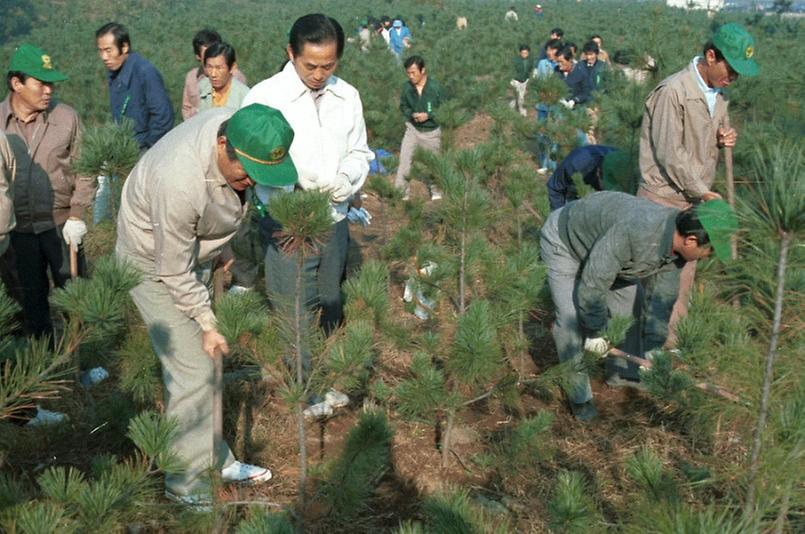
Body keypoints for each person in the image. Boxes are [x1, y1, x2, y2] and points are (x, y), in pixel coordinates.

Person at [116, 104, 296, 505]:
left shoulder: (244, 129)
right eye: (246, 173)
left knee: (206, 363)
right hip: (153, 263)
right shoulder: (179, 178)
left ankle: (213, 456)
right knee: (193, 368)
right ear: (222, 144)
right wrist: (206, 320)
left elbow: (221, 201)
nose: (251, 182)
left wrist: (222, 242)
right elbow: (173, 269)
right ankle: (185, 487)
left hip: (186, 250)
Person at [241, 14, 373, 386]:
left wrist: (347, 178)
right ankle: (303, 385)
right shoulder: (265, 97)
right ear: (291, 53)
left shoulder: (347, 96)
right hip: (287, 220)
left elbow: (360, 151)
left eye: (328, 65)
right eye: (310, 65)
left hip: (333, 217)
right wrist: (289, 191)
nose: (318, 74)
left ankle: (332, 376)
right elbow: (250, 161)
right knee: (293, 304)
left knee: (330, 299)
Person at [540, 192, 737, 420]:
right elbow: (594, 282)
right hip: (566, 244)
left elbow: (662, 298)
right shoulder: (639, 231)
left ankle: (623, 373)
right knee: (570, 322)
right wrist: (595, 332)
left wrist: (653, 346)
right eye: (708, 251)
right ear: (691, 240)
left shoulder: (676, 250)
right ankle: (580, 398)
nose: (707, 257)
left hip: (610, 255)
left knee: (630, 309)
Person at [638, 23, 758, 346]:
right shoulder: (673, 91)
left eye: (738, 74)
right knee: (648, 282)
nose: (733, 78)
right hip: (660, 201)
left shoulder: (718, 97)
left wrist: (722, 139)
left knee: (682, 284)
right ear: (710, 55)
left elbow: (700, 141)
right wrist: (702, 190)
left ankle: (668, 352)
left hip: (692, 201)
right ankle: (633, 357)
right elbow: (669, 153)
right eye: (730, 69)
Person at [1, 44, 95, 339]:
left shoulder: (67, 118)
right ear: (17, 84)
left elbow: (87, 166)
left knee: (77, 300)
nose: (48, 91)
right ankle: (42, 365)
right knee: (29, 304)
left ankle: (86, 362)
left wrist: (78, 214)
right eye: (41, 83)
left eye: (51, 83)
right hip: (17, 232)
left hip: (61, 226)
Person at [96, 22, 173, 151]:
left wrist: (146, 149)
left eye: (109, 50)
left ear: (124, 47)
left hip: (144, 151)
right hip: (123, 149)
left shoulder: (145, 73)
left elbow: (163, 118)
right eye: (101, 51)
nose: (104, 57)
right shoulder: (114, 73)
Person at [394, 55, 446, 200]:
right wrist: (411, 114)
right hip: (413, 129)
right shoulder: (407, 88)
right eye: (408, 73)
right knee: (404, 160)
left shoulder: (435, 87)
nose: (411, 76)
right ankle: (401, 194)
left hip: (431, 132)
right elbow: (403, 106)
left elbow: (445, 108)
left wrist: (429, 115)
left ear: (423, 70)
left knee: (433, 163)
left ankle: (436, 192)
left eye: (413, 73)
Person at [182, 28, 247, 120]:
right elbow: (186, 108)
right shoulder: (195, 80)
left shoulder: (237, 81)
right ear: (198, 57)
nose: (213, 74)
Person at [546, 145, 626, 210]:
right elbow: (555, 188)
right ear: (598, 173)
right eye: (606, 184)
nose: (608, 188)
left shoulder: (627, 165)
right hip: (580, 180)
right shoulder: (575, 164)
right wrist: (559, 218)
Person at [198, 42, 249, 113]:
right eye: (209, 67)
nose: (213, 74)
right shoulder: (202, 87)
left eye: (219, 68)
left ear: (232, 67)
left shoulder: (244, 95)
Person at [510, 45, 531, 117]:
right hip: (516, 80)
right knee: (515, 96)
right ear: (520, 53)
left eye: (526, 53)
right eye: (523, 53)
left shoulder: (530, 60)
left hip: (525, 81)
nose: (524, 55)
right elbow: (511, 70)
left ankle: (523, 113)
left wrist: (529, 78)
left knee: (522, 97)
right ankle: (511, 111)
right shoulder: (516, 60)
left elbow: (531, 70)